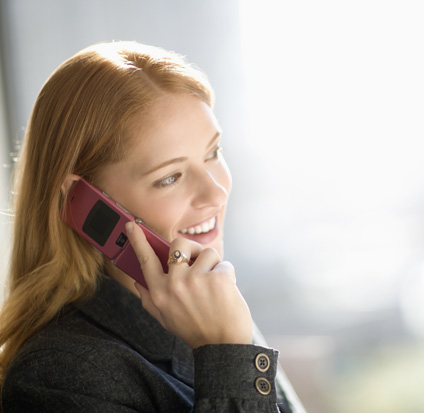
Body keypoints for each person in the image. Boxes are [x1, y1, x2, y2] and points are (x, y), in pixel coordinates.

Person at [0, 41, 305, 412]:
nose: (216, 191)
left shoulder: (209, 305)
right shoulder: (57, 374)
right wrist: (228, 355)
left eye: (212, 153)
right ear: (81, 203)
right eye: (170, 177)